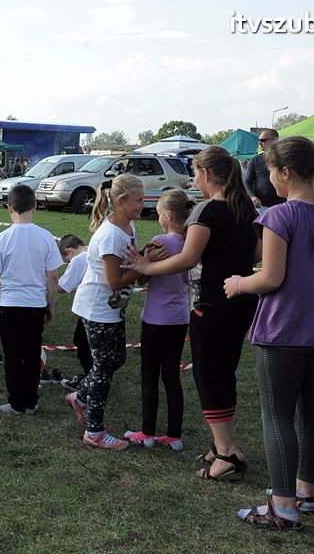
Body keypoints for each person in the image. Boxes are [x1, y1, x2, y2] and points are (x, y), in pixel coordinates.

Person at [224, 136, 314, 530]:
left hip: (284, 329)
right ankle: (305, 493)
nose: (269, 178)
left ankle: (282, 508)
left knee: (278, 417)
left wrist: (238, 283)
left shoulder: (278, 217)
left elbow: (270, 277)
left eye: (270, 171)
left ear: (284, 173)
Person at [124, 146, 259, 479]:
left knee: (208, 375)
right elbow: (255, 253)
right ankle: (223, 445)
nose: (194, 181)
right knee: (224, 372)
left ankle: (227, 454)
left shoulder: (207, 211)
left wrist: (145, 266)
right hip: (242, 301)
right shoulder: (246, 210)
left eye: (195, 174)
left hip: (212, 304)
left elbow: (187, 258)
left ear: (207, 175)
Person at [65, 175, 145, 450]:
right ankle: (94, 431)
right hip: (97, 307)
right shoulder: (110, 234)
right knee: (102, 369)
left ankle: (80, 398)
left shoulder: (128, 225)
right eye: (138, 200)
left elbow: (129, 264)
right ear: (121, 202)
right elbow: (116, 281)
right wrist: (145, 266)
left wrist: (143, 259)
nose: (142, 205)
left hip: (112, 308)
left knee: (115, 360)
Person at [124, 189, 194, 452]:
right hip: (179, 317)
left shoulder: (159, 241)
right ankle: (174, 435)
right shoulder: (191, 242)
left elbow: (143, 276)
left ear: (166, 215)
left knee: (150, 374)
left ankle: (148, 432)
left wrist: (141, 261)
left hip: (156, 318)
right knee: (171, 375)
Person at [0, 184, 62, 415]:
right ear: (35, 207)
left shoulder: (2, 238)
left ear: (9, 208)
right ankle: (31, 401)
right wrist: (50, 305)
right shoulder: (46, 237)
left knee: (12, 355)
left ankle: (16, 402)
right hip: (35, 305)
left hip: (8, 305)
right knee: (31, 354)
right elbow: (53, 276)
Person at [56, 234, 91, 392]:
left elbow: (63, 287)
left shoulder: (78, 259)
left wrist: (46, 282)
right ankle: (92, 376)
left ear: (68, 251)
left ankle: (90, 377)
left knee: (81, 341)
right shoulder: (92, 250)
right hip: (101, 308)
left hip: (89, 308)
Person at [243, 129, 286, 212]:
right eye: (259, 140)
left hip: (283, 206)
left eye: (263, 140)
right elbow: (247, 181)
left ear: (275, 140)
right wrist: (252, 196)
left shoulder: (285, 158)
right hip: (262, 207)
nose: (259, 143)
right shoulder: (256, 160)